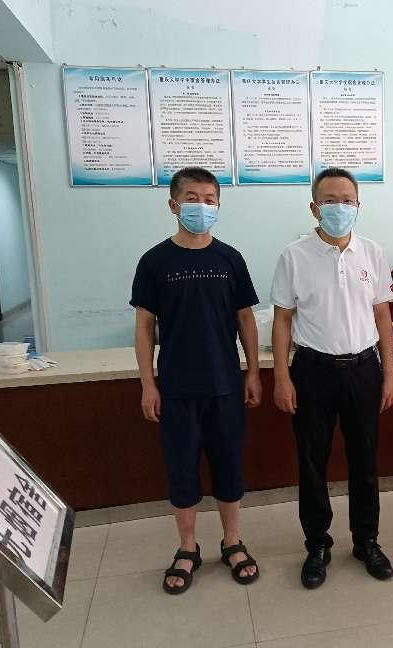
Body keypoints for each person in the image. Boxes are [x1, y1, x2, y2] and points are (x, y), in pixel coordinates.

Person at [130, 166, 262, 594]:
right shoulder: (155, 261)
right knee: (182, 471)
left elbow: (246, 320)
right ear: (173, 205)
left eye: (209, 199)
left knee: (229, 467)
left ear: (218, 205)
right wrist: (148, 384)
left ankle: (232, 541)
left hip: (225, 386)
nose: (201, 206)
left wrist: (253, 372)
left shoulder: (230, 259)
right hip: (176, 389)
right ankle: (187, 548)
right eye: (192, 199)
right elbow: (145, 327)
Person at [271, 167, 393, 589]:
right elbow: (282, 320)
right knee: (312, 462)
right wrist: (282, 377)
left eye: (347, 200)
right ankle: (317, 545)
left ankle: (366, 541)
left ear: (358, 206)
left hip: (363, 369)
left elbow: (383, 316)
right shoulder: (294, 256)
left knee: (365, 461)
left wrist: (389, 375)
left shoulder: (373, 253)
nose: (339, 208)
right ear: (314, 207)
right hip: (313, 372)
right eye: (329, 200)